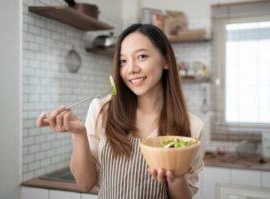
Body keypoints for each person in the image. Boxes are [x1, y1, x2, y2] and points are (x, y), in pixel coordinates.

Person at [37, 23, 205, 199]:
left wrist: (176, 178)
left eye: (141, 56)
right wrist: (78, 134)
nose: (131, 69)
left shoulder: (193, 126)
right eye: (123, 61)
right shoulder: (102, 110)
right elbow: (85, 183)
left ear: (166, 61)